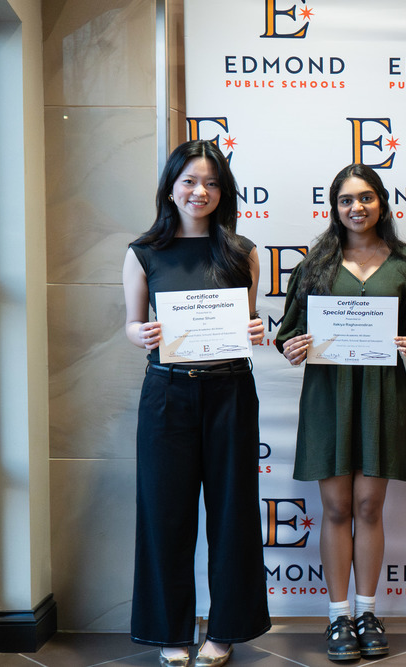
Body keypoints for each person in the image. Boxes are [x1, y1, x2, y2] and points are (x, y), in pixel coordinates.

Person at [275, 163, 406, 662]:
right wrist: (292, 346)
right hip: (328, 395)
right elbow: (287, 332)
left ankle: (368, 612)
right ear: (335, 207)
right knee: (337, 508)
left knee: (369, 507)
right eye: (347, 200)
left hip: (382, 395)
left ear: (382, 203)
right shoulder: (316, 263)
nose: (357, 208)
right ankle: (337, 616)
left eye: (366, 198)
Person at [122, 139, 270, 667]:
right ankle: (170, 630)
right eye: (189, 181)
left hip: (230, 390)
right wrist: (140, 333)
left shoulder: (242, 252)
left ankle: (226, 629)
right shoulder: (144, 252)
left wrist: (254, 330)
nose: (199, 191)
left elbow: (246, 323)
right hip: (167, 392)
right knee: (165, 514)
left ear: (223, 191)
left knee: (232, 513)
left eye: (210, 183)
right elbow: (132, 323)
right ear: (170, 186)